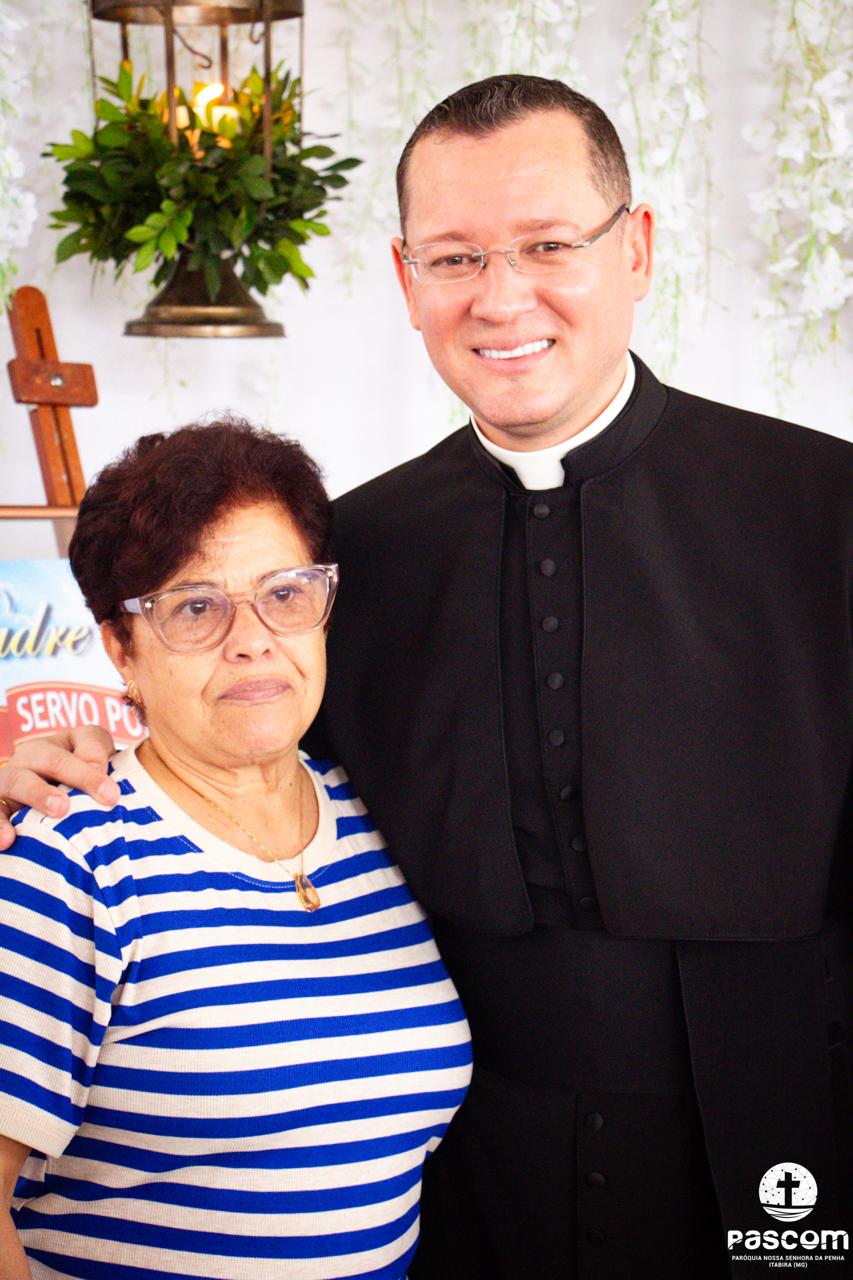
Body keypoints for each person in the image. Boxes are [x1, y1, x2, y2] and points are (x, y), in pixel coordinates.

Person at [1, 74, 850, 1278]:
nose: (501, 297)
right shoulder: (348, 558)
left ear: (636, 249)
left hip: (786, 1152)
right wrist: (57, 761)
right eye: (454, 258)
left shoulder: (826, 510)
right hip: (457, 1187)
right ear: (406, 281)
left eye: (548, 244)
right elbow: (235, 779)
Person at [0, 419, 471, 1279]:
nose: (252, 638)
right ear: (120, 647)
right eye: (195, 607)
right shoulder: (69, 859)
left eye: (284, 594)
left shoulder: (380, 814)